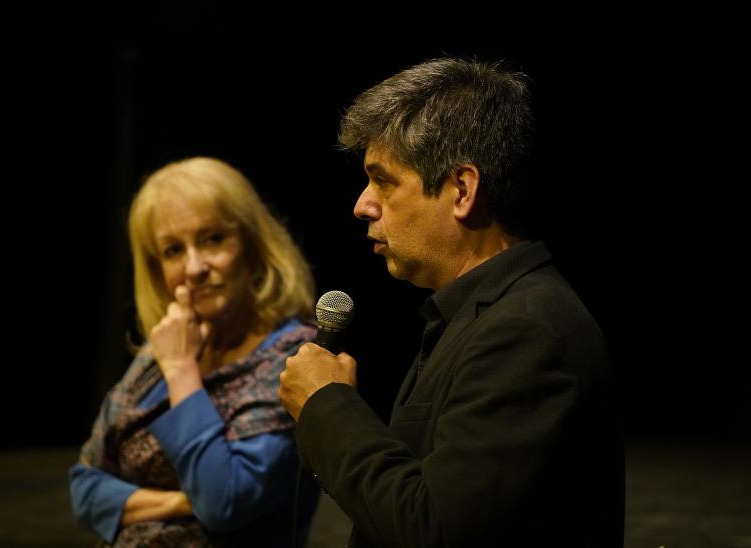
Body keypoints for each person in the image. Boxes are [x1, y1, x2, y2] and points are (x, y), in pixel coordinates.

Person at [279, 58, 624, 547]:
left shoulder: (527, 333)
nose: (362, 205)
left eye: (383, 180)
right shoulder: (478, 314)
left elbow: (434, 529)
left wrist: (327, 406)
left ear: (461, 190)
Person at [69, 157, 319, 547]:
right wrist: (184, 503)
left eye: (213, 239)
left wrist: (183, 370)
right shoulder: (163, 351)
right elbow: (84, 489)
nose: (194, 267)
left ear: (253, 246)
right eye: (172, 250)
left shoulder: (294, 357)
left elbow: (222, 501)